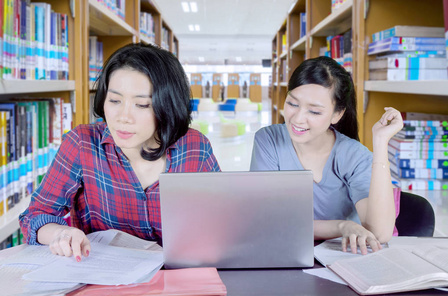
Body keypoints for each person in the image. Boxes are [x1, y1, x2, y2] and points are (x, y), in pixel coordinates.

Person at [19, 43, 221, 261]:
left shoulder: (194, 147)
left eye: (142, 105)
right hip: (106, 285)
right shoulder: (82, 144)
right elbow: (35, 215)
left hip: (181, 280)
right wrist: (60, 233)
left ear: (168, 106)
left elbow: (224, 218)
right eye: (114, 100)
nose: (123, 117)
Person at [250, 56, 403, 255]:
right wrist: (341, 227)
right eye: (292, 103)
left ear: (337, 114)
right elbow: (264, 220)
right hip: (287, 255)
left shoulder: (353, 155)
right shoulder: (269, 140)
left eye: (314, 111)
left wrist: (381, 143)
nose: (297, 119)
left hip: (345, 260)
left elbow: (380, 234)